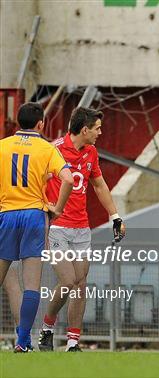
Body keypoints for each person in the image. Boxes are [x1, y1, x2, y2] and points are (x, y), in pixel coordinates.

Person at [38, 107, 126, 352]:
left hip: (81, 227)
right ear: (84, 129)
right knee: (68, 280)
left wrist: (115, 216)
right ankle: (47, 327)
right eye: (97, 128)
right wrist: (45, 208)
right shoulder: (53, 149)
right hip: (57, 226)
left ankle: (73, 342)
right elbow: (37, 181)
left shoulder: (91, 152)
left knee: (81, 283)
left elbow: (99, 185)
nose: (100, 132)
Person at [0, 102, 74, 353]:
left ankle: (22, 340)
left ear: (18, 122)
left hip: (6, 214)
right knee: (32, 283)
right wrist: (59, 208)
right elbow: (68, 179)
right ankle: (23, 342)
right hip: (33, 215)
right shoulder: (46, 148)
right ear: (41, 123)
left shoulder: (2, 145)